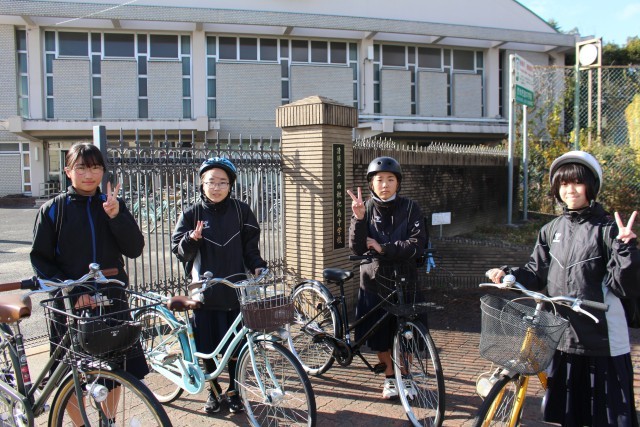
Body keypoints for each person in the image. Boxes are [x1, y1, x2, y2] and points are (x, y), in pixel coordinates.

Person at [486, 150, 639, 427]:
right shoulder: (550, 229)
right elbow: (536, 273)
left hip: (602, 337)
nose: (570, 190)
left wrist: (627, 249)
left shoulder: (607, 229)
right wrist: (509, 273)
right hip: (563, 334)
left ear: (591, 186)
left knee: (608, 417)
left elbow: (625, 286)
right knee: (571, 415)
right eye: (564, 183)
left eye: (578, 183)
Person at [30, 142, 147, 426]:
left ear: (103, 172)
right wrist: (70, 292)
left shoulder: (112, 204)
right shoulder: (53, 210)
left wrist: (116, 216)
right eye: (81, 167)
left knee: (116, 368)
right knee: (71, 374)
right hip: (70, 305)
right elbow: (41, 261)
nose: (89, 174)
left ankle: (108, 421)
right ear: (68, 171)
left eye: (95, 167)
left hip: (111, 299)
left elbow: (134, 248)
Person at [171, 157, 267, 415]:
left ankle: (234, 391)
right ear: (202, 184)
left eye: (222, 182)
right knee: (207, 347)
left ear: (231, 185)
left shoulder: (241, 211)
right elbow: (179, 251)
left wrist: (257, 265)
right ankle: (213, 392)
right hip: (204, 292)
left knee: (237, 347)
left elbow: (250, 247)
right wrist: (191, 239)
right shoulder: (191, 214)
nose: (216, 187)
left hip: (236, 291)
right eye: (211, 182)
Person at [347, 156, 427, 400]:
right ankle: (390, 378)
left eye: (390, 179)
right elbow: (357, 248)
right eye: (379, 179)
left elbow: (417, 244)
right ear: (371, 184)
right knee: (380, 336)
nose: (385, 184)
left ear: (398, 183)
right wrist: (359, 219)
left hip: (406, 280)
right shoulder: (365, 208)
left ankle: (406, 376)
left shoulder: (411, 208)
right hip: (374, 282)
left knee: (408, 334)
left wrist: (384, 248)